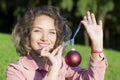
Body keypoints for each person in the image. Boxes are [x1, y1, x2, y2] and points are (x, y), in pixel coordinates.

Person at [6, 5, 108, 80]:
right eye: (37, 30)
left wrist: (97, 44)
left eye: (51, 32)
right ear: (26, 34)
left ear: (57, 37)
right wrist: (54, 71)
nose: (45, 38)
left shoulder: (63, 64)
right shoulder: (16, 70)